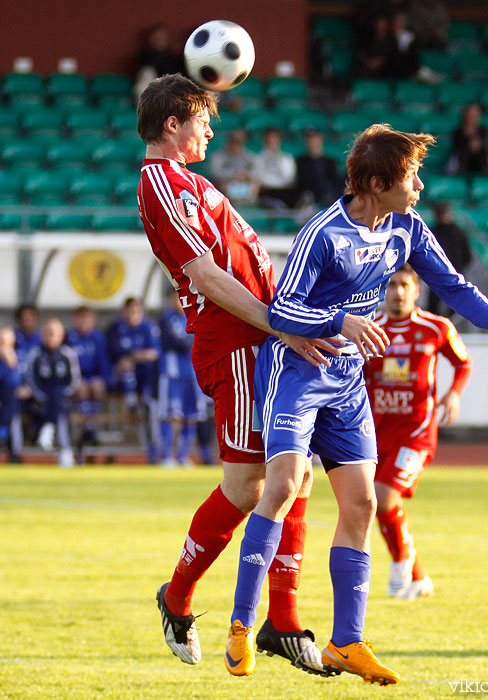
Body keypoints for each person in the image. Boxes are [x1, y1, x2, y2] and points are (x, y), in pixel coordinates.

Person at [226, 124, 488, 685]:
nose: (420, 185)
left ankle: (346, 641)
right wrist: (341, 320)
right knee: (279, 487)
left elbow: (451, 284)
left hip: (347, 381)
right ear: (376, 184)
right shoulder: (322, 234)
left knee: (361, 507)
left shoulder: (406, 226)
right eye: (410, 177)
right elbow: (280, 313)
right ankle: (241, 623)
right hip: (298, 372)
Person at [136, 73, 339, 675]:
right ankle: (177, 598)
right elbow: (206, 276)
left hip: (262, 340)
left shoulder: (191, 183)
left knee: (295, 475)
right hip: (238, 347)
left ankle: (282, 618)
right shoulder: (160, 183)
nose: (211, 128)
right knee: (251, 486)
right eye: (203, 118)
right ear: (173, 124)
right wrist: (280, 326)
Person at [364, 265, 472, 599]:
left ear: (417, 290)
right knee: (375, 503)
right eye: (392, 284)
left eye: (404, 285)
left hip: (417, 432)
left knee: (383, 498)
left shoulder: (436, 327)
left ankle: (401, 562)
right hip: (375, 431)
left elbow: (463, 363)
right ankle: (417, 575)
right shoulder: (368, 329)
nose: (398, 291)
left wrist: (453, 393)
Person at [158, 290, 208, 467]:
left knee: (192, 416)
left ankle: (182, 456)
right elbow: (171, 342)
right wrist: (190, 340)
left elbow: (203, 339)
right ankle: (166, 456)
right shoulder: (166, 319)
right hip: (173, 375)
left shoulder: (196, 316)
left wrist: (188, 341)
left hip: (193, 375)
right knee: (172, 417)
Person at [106, 297, 160, 463]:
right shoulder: (116, 328)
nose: (132, 314)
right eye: (129, 310)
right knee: (126, 368)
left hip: (147, 381)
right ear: (124, 311)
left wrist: (132, 357)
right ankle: (131, 404)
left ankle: (155, 450)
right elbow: (111, 354)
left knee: (152, 409)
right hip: (121, 380)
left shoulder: (149, 328)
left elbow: (154, 353)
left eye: (135, 311)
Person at [27, 317, 80, 468]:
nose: (50, 337)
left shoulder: (68, 354)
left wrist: (60, 395)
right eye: (47, 333)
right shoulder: (36, 354)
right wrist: (44, 397)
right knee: (58, 406)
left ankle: (47, 430)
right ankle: (66, 453)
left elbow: (74, 381)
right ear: (42, 335)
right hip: (40, 402)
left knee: (59, 402)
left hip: (64, 400)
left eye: (54, 333)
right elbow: (32, 381)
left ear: (61, 335)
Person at [65, 306, 110, 449]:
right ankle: (85, 427)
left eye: (87, 319)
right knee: (82, 387)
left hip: (93, 376)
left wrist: (105, 379)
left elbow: (104, 361)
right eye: (81, 319)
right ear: (75, 320)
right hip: (76, 378)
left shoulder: (98, 337)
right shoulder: (69, 337)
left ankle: (91, 426)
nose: (84, 322)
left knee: (97, 386)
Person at [426, 201, 472, 317]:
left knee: (434, 309)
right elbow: (467, 256)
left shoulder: (431, 232)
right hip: (453, 276)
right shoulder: (458, 232)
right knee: (454, 310)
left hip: (436, 276)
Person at [207, 129, 260, 206]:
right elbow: (215, 172)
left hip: (244, 182)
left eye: (238, 142)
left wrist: (245, 175)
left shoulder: (248, 155)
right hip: (227, 183)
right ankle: (229, 204)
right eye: (233, 141)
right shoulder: (218, 155)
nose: (235, 145)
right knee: (222, 183)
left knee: (255, 183)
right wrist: (233, 176)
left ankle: (248, 205)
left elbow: (256, 170)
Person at [133, 23, 183, 101]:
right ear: (150, 40)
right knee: (147, 72)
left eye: (162, 38)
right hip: (154, 92)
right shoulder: (144, 56)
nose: (159, 41)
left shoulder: (173, 58)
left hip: (171, 92)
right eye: (156, 38)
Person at [295, 128, 343, 208]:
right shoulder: (300, 162)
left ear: (321, 141)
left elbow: (334, 183)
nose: (313, 143)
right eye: (310, 140)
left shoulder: (330, 162)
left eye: (315, 140)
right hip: (307, 194)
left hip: (327, 195)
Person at [254, 127, 298, 209]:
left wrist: (277, 160)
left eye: (274, 139)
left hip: (285, 191)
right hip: (267, 191)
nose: (272, 142)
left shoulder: (287, 158)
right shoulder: (258, 159)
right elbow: (260, 178)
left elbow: (289, 178)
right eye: (269, 140)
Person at [446, 102, 488, 175]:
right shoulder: (457, 132)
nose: (472, 117)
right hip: (463, 161)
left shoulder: (484, 131)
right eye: (470, 114)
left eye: (475, 114)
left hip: (479, 161)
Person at [0, 327, 23, 460]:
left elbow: (15, 382)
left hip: (15, 399)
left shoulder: (18, 357)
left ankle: (14, 452)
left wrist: (12, 365)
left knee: (12, 401)